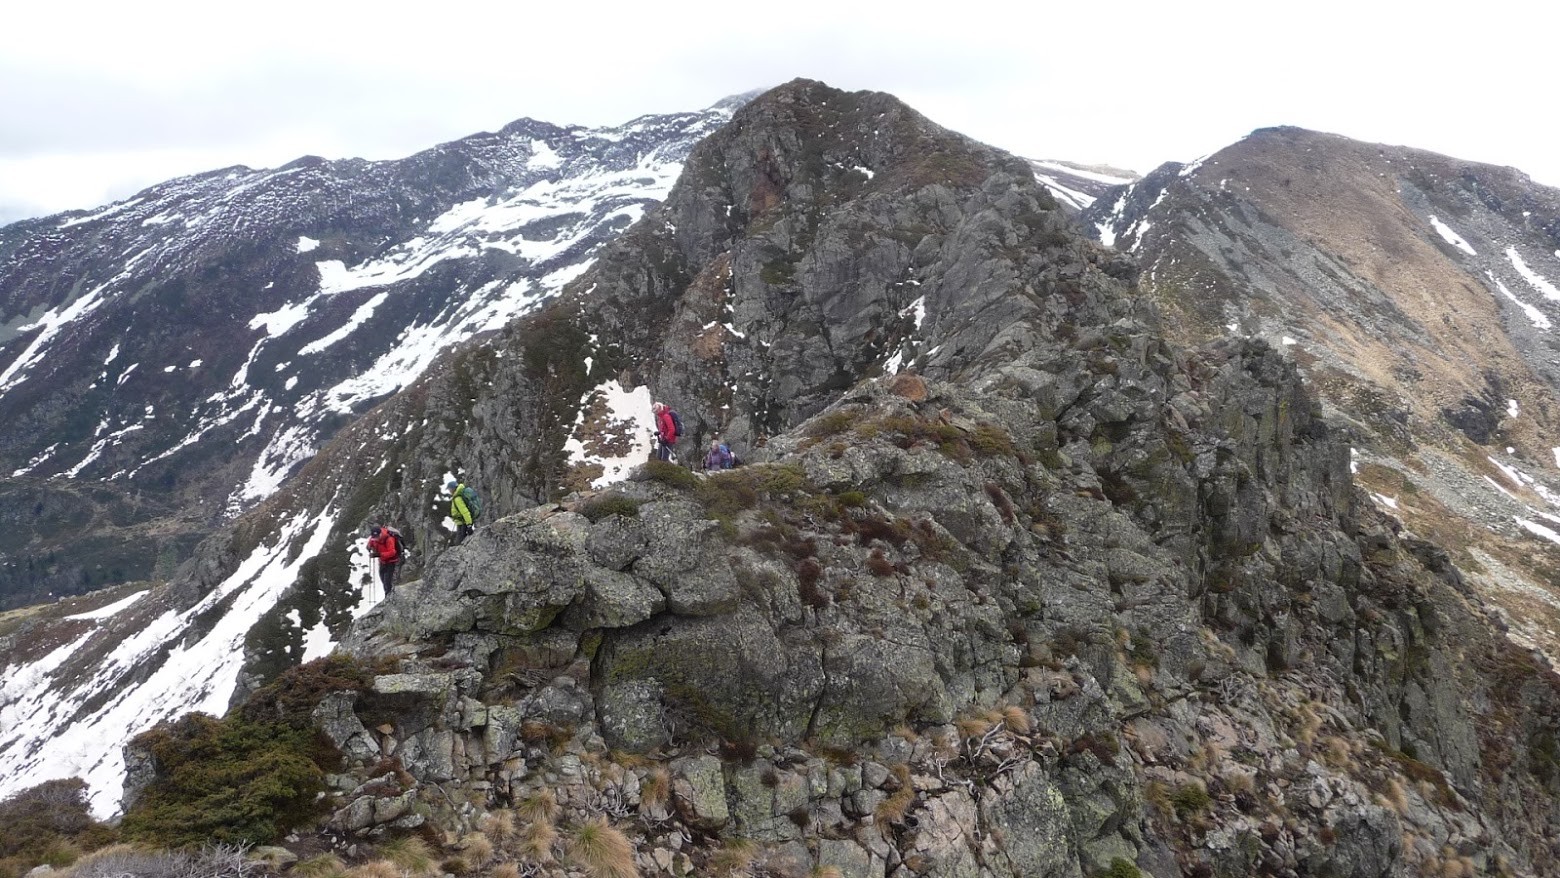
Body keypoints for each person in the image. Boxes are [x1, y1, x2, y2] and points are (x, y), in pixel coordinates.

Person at [366, 525, 403, 595]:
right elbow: (371, 541)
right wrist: (368, 547)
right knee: (383, 579)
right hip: (382, 561)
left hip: (391, 562)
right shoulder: (373, 537)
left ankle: (388, 597)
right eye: (374, 538)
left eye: (377, 537)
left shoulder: (389, 539)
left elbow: (392, 552)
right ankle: (388, 595)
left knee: (387, 582)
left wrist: (379, 554)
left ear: (380, 534)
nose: (375, 539)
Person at [448, 479, 476, 544]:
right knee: (460, 541)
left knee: (459, 542)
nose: (449, 491)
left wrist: (469, 525)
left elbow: (465, 512)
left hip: (463, 523)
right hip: (461, 522)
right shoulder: (458, 496)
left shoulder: (458, 499)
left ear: (453, 489)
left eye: (449, 489)